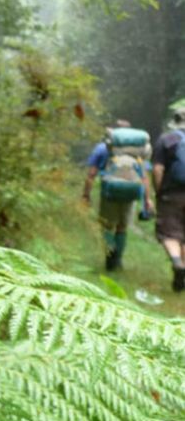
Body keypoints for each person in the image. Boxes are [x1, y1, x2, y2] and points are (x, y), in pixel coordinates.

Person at [83, 121, 154, 271]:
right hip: (131, 191)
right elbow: (144, 177)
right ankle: (118, 260)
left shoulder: (103, 148)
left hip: (109, 192)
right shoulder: (138, 152)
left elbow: (91, 174)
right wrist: (147, 199)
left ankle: (109, 258)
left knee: (108, 226)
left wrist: (86, 195)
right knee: (122, 227)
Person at [152, 107, 185, 291]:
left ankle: (177, 262)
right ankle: (183, 270)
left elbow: (157, 169)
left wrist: (158, 191)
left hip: (171, 194)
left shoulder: (167, 139)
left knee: (169, 233)